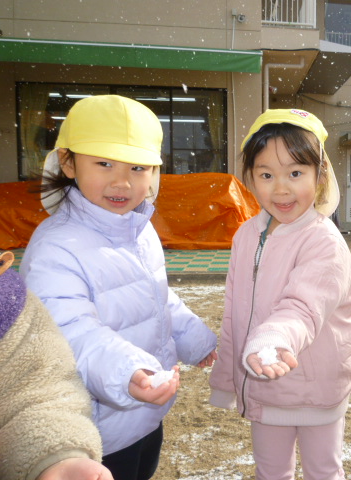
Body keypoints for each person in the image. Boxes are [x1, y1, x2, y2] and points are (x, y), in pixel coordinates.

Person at [19, 95, 218, 480]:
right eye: (104, 163)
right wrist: (128, 371)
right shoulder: (56, 247)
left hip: (145, 411)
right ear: (68, 162)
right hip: (97, 428)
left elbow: (156, 296)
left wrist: (194, 337)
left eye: (138, 167)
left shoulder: (138, 230)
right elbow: (69, 333)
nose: (122, 181)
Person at [209, 108, 351, 480]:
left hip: (314, 388)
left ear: (320, 175)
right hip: (263, 385)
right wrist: (228, 379)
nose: (281, 188)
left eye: (295, 173)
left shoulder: (324, 241)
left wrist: (275, 337)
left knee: (323, 471)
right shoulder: (246, 235)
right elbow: (234, 313)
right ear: (250, 178)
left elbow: (304, 306)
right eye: (266, 175)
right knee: (270, 471)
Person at [0, 250, 113, 480]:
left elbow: (34, 383)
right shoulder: (52, 247)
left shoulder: (5, 296)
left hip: (136, 408)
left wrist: (55, 456)